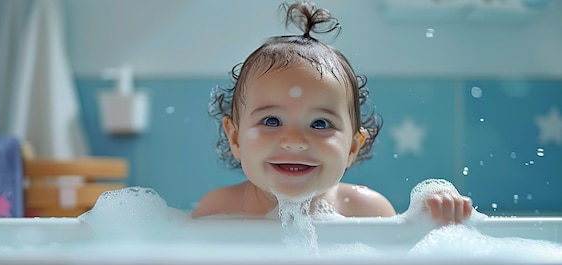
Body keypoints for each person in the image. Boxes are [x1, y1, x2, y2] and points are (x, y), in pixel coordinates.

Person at [192, 1, 472, 224]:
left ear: (352, 146)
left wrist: (435, 214)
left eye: (320, 123)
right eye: (272, 120)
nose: (295, 140)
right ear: (236, 139)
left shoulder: (368, 211)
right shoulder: (218, 211)